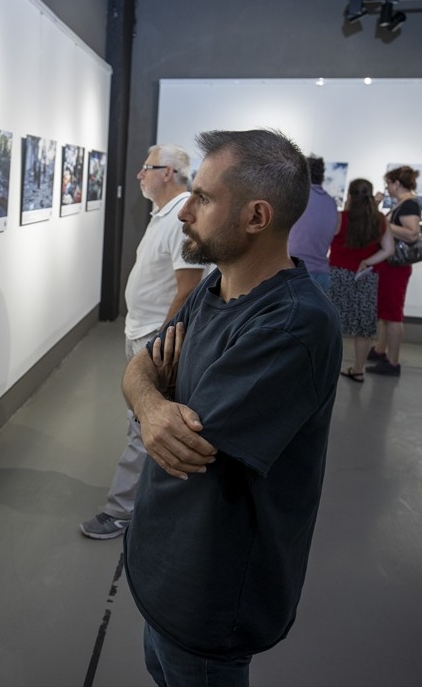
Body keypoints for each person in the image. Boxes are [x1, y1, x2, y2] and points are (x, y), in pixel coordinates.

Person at [123, 129, 342, 687]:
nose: (183, 213)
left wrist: (157, 403)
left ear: (256, 216)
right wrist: (153, 406)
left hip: (213, 589)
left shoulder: (293, 325)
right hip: (166, 569)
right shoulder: (213, 287)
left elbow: (192, 447)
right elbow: (140, 369)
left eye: (202, 198)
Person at [79, 144, 206, 540]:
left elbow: (187, 289)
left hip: (155, 338)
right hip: (142, 332)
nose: (139, 175)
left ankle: (121, 511)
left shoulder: (181, 218)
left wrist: (160, 348)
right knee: (139, 420)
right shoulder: (163, 215)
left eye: (146, 168)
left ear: (168, 172)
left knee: (144, 423)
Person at [327, 178, 395, 382]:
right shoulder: (380, 220)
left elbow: (326, 240)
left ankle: (328, 368)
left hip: (337, 274)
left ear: (350, 195)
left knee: (333, 324)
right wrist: (367, 261)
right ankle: (358, 369)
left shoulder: (340, 218)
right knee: (363, 327)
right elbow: (389, 250)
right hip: (364, 278)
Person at [366, 165, 422, 376]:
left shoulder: (408, 205)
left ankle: (392, 362)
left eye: (389, 183)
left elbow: (412, 233)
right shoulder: (402, 204)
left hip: (395, 269)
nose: (387, 188)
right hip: (390, 268)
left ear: (397, 183)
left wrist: (383, 223)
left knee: (393, 314)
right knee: (386, 313)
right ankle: (381, 350)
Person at [287, 155, 338, 292]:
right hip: (322, 273)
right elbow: (335, 231)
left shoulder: (296, 198)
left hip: (295, 271)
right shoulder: (331, 202)